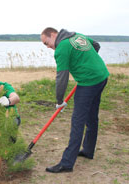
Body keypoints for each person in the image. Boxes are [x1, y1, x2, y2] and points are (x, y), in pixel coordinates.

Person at [40, 27, 109, 173]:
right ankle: (88, 150)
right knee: (91, 116)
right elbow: (96, 45)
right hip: (102, 76)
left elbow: (61, 78)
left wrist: (59, 101)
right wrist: (86, 62)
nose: (48, 47)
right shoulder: (77, 36)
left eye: (47, 43)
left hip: (89, 83)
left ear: (53, 35)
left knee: (77, 122)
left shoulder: (61, 49)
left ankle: (66, 163)